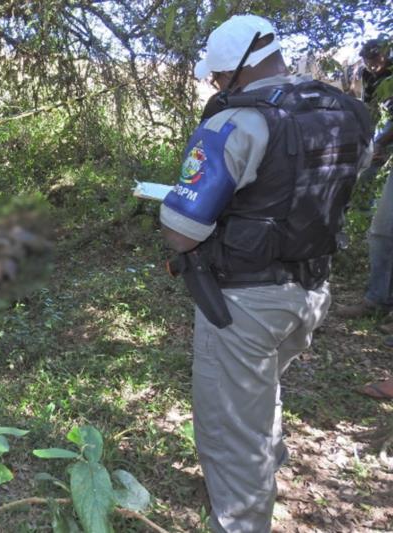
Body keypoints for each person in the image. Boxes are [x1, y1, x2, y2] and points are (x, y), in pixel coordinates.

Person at [159, 14, 373, 533]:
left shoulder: (236, 122)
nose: (214, 87)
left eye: (215, 78)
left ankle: (242, 519)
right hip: (310, 292)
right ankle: (268, 462)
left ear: (233, 72)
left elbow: (183, 232)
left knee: (231, 429)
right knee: (262, 387)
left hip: (244, 304)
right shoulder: (347, 112)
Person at [334, 38, 393, 323]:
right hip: (378, 135)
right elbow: (369, 110)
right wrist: (369, 143)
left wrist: (381, 143)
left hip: (385, 137)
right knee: (382, 230)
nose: (371, 61)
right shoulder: (368, 75)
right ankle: (378, 299)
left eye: (375, 56)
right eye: (367, 57)